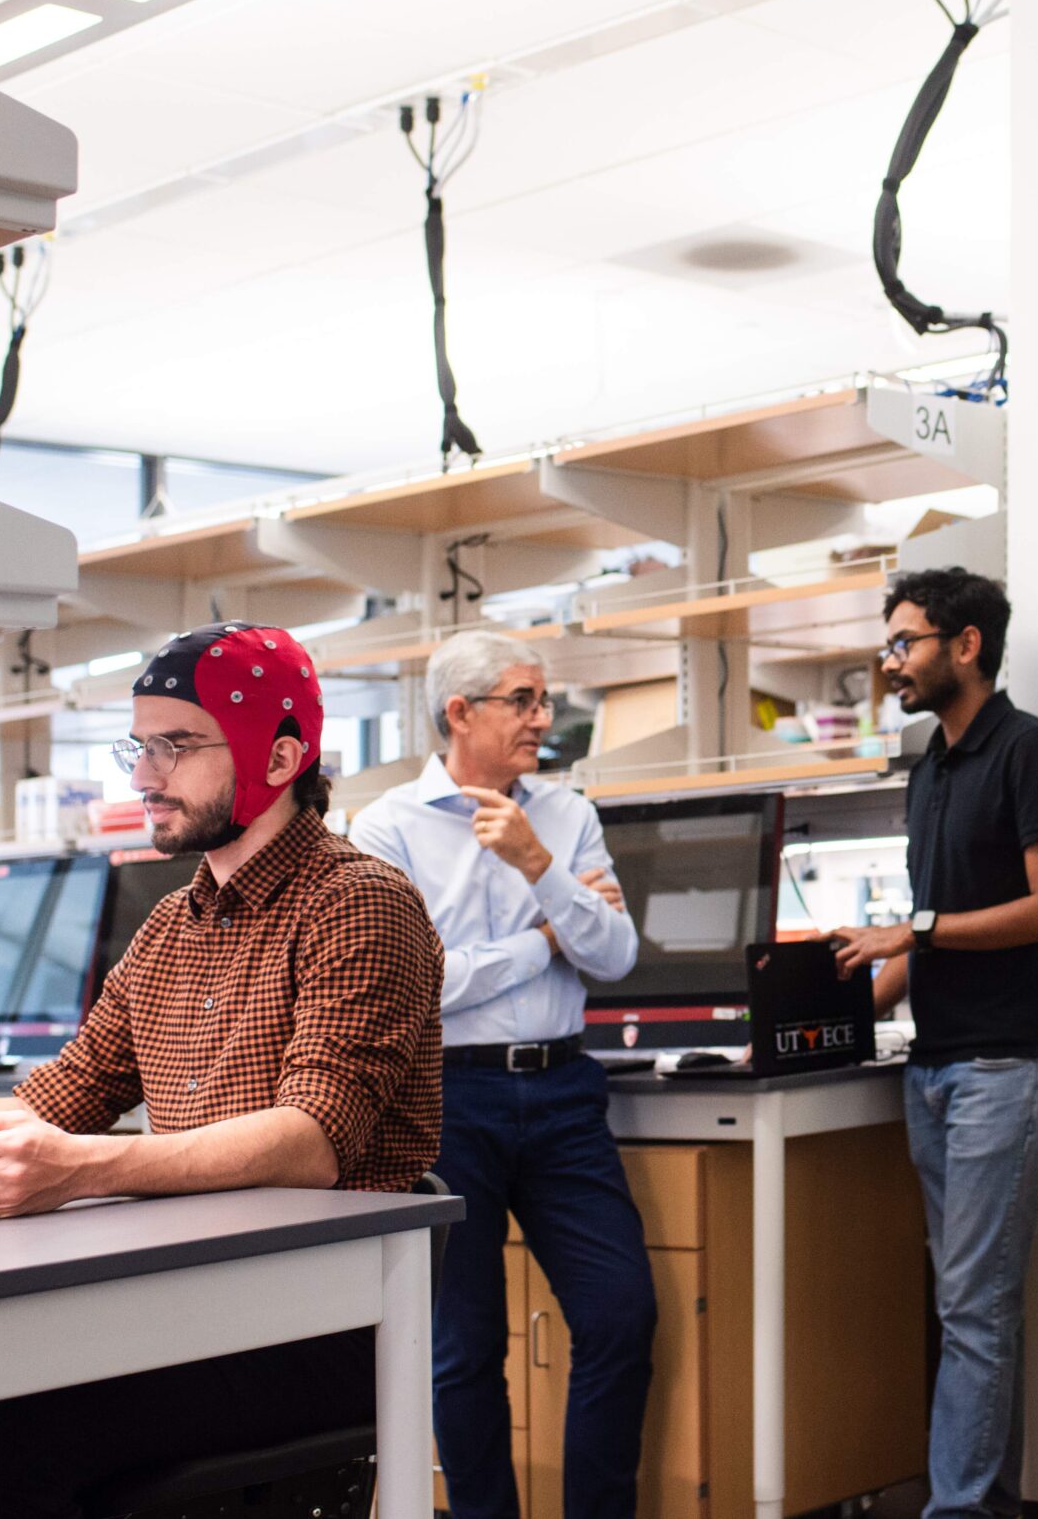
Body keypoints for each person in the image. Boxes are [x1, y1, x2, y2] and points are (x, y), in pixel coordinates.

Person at [0, 622, 444, 1519]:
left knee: (8, 1452)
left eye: (176, 745)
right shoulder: (170, 928)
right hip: (186, 1297)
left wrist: (81, 1167)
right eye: (139, 744)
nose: (142, 776)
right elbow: (45, 1101)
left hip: (312, 1319)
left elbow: (312, 1139)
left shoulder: (361, 903)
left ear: (281, 755)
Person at [350, 630, 655, 1519]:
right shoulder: (386, 828)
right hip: (447, 1098)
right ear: (460, 711)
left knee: (620, 1316)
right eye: (523, 699)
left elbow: (616, 953)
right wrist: (540, 939)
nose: (542, 718)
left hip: (563, 1094)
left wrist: (536, 864)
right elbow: (417, 984)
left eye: (543, 699)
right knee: (465, 1346)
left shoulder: (565, 817)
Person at [828, 567, 1038, 1519]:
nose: (889, 661)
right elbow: (925, 931)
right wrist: (853, 989)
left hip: (1005, 1067)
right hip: (935, 1067)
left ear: (965, 645)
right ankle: (978, 1496)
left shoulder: (1031, 752)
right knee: (964, 1305)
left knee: (973, 1308)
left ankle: (959, 1509)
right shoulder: (929, 765)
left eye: (905, 642)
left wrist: (916, 931)